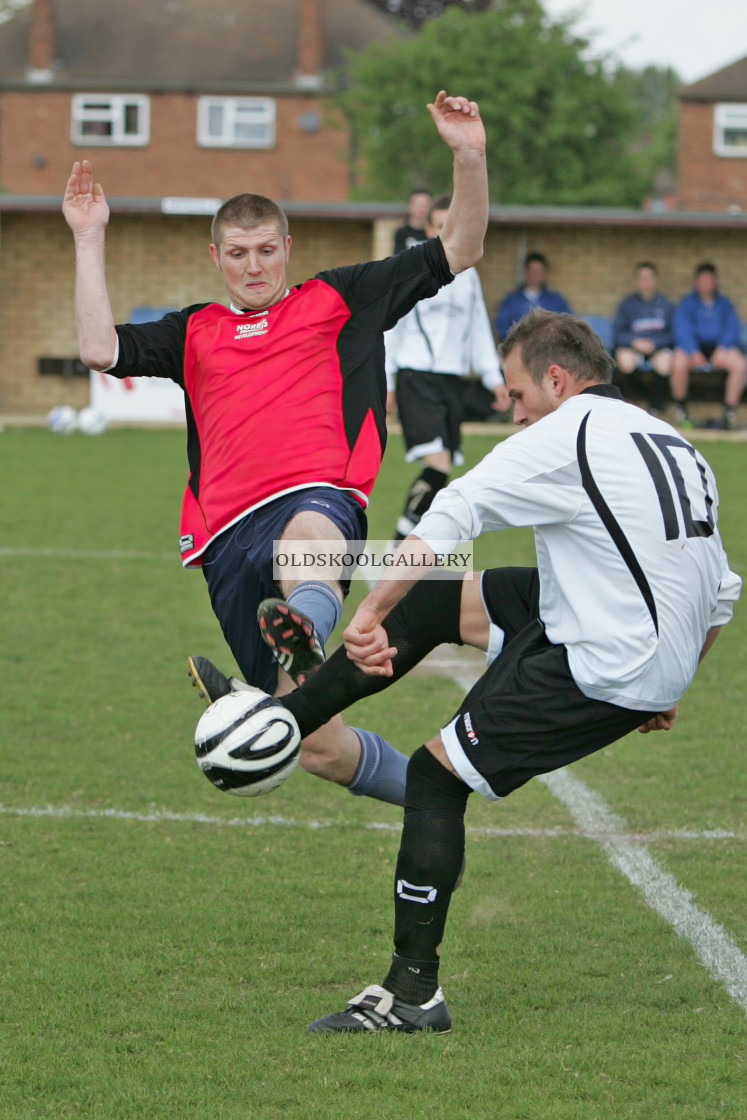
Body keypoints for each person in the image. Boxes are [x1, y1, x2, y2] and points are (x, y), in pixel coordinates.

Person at [248, 308, 739, 1032]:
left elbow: (452, 512)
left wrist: (369, 613)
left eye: (513, 395)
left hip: (604, 660)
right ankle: (284, 721)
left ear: (555, 378)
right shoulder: (672, 441)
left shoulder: (565, 432)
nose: (508, 411)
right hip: (637, 637)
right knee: (440, 598)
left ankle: (412, 993)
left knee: (434, 777)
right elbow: (719, 587)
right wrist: (674, 677)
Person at [62, 90, 489, 809]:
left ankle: (306, 627)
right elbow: (98, 349)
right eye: (238, 254)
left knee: (308, 535)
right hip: (225, 536)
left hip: (317, 497)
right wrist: (87, 235)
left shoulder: (339, 298)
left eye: (266, 251)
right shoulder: (192, 331)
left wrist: (467, 155)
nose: (253, 267)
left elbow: (461, 249)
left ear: (286, 249)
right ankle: (431, 796)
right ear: (216, 257)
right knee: (315, 744)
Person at [385, 193, 511, 540]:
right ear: (428, 228)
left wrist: (492, 376)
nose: (444, 233)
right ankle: (398, 548)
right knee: (437, 467)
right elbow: (392, 328)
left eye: (450, 226)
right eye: (438, 226)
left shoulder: (468, 276)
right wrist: (388, 382)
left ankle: (408, 548)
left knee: (444, 473)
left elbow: (478, 329)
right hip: (416, 375)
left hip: (451, 381)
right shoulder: (412, 269)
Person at [671, 262, 746, 430]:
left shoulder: (725, 303)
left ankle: (729, 411)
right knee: (677, 362)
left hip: (719, 348)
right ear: (696, 282)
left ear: (715, 282)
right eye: (702, 280)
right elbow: (682, 328)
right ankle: (681, 408)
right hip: (694, 347)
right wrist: (692, 351)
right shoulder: (687, 303)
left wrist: (723, 348)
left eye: (709, 280)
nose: (706, 284)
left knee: (740, 363)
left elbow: (732, 328)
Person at [612, 261, 674, 413]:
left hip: (658, 348)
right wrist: (634, 342)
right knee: (625, 361)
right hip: (634, 348)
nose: (645, 282)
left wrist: (655, 343)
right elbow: (618, 334)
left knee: (665, 363)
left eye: (649, 278)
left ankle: (655, 405)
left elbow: (672, 334)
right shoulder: (627, 304)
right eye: (642, 278)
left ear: (655, 280)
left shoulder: (666, 304)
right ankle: (638, 400)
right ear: (637, 281)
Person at [495, 251, 571, 339]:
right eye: (532, 270)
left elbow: (569, 324)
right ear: (526, 272)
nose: (536, 274)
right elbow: (501, 325)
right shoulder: (511, 300)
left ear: (545, 273)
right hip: (520, 349)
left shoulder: (557, 300)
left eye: (539, 271)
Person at [393, 188, 432, 254]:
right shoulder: (401, 233)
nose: (422, 209)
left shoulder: (437, 231)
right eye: (418, 205)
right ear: (410, 206)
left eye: (425, 205)